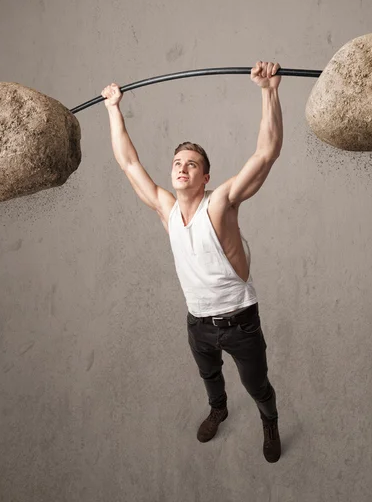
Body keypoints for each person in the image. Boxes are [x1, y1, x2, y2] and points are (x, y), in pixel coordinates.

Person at [101, 61, 283, 463]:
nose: (182, 168)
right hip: (197, 322)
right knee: (210, 377)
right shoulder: (166, 210)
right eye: (177, 163)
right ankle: (218, 409)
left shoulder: (219, 204)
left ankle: (269, 420)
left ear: (205, 177)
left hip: (240, 322)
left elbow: (266, 154)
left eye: (192, 164)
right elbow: (129, 164)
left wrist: (269, 91)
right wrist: (114, 109)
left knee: (258, 386)